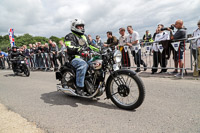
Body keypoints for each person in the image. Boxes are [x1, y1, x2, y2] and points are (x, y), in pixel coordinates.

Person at [64, 18, 99, 96]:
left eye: (82, 26)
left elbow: (91, 45)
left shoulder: (84, 36)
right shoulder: (70, 36)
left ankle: (94, 83)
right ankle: (80, 87)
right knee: (83, 65)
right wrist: (79, 49)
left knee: (99, 62)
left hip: (87, 57)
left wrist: (100, 48)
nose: (81, 28)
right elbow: (70, 46)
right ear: (74, 26)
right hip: (75, 58)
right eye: (79, 26)